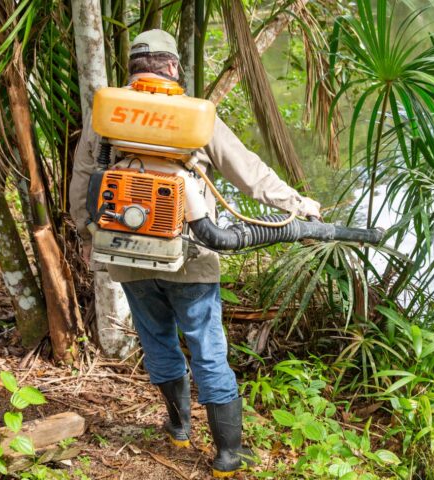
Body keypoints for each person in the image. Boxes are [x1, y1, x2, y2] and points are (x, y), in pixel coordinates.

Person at [68, 29, 322, 478]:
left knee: (157, 340)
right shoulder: (192, 115)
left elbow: (84, 178)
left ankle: (178, 425)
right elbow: (249, 172)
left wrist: (88, 233)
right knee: (207, 349)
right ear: (171, 67)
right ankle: (229, 455)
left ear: (134, 68)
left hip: (127, 254)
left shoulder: (106, 111)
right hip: (191, 251)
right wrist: (300, 207)